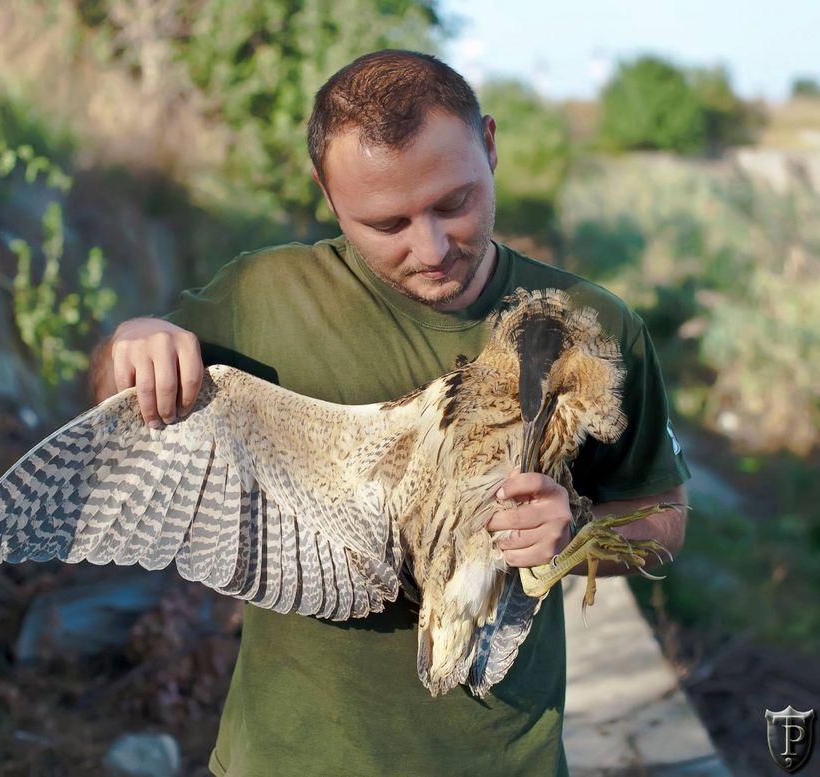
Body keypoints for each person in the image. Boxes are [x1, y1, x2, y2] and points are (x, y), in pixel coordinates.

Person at [90, 50, 689, 777]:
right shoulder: (262, 299)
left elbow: (661, 518)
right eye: (387, 222)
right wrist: (130, 345)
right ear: (326, 190)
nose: (431, 248)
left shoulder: (593, 326)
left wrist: (577, 535)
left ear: (491, 145)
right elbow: (116, 413)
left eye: (453, 203)